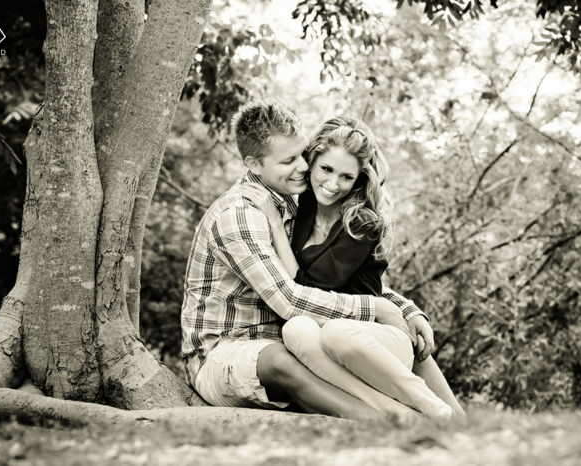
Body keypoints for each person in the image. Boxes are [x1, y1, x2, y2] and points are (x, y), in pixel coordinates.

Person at [180, 98, 432, 421]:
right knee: (283, 359)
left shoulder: (295, 206)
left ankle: (450, 419)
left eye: (302, 154)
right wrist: (377, 309)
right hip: (221, 354)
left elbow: (340, 282)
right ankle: (390, 422)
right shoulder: (239, 215)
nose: (302, 166)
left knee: (350, 345)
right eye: (288, 161)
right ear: (255, 164)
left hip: (286, 338)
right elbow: (290, 300)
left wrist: (403, 309)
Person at [240, 117, 465, 419]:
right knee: (295, 329)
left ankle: (436, 410)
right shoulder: (303, 205)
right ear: (312, 162)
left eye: (346, 177)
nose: (332, 185)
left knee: (336, 331)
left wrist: (275, 228)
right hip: (328, 335)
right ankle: (396, 414)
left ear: (359, 179)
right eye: (326, 170)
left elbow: (309, 286)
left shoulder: (362, 223)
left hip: (376, 338)